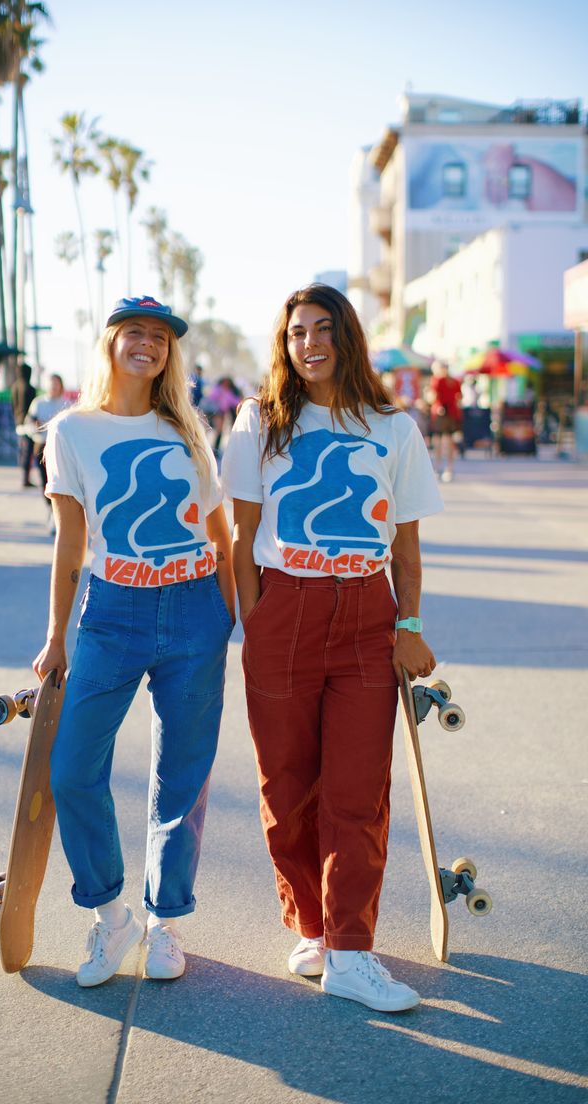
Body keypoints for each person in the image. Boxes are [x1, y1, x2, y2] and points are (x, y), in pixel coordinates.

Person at [221, 284, 443, 1013]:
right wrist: (257, 625)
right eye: (296, 333)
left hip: (365, 617)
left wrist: (407, 627)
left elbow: (406, 550)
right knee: (287, 786)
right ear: (284, 345)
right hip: (285, 607)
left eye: (323, 330)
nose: (309, 344)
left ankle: (351, 950)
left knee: (357, 789)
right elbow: (238, 539)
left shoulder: (393, 428)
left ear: (347, 337)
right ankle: (313, 928)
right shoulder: (259, 424)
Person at [33, 295, 235, 988]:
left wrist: (227, 617)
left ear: (168, 353)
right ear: (112, 343)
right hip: (111, 612)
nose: (148, 344)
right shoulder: (70, 431)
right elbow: (69, 542)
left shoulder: (187, 430)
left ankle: (165, 920)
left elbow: (220, 535)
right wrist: (56, 634)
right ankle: (109, 913)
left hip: (194, 609)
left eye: (160, 336)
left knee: (181, 776)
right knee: (72, 769)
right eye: (135, 333)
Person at [25, 373, 72, 496]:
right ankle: (49, 505)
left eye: (56, 384)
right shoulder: (38, 403)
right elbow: (29, 421)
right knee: (45, 479)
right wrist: (35, 425)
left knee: (59, 480)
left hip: (61, 447)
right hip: (41, 444)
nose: (54, 387)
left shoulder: (67, 404)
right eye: (51, 384)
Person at [428, 360, 461, 482]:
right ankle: (449, 468)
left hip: (439, 413)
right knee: (449, 442)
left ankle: (438, 467)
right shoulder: (455, 381)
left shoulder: (437, 380)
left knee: (438, 442)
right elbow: (459, 397)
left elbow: (433, 397)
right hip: (452, 412)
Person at [12, 362, 37, 487]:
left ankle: (24, 477)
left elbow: (13, 405)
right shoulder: (30, 388)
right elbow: (33, 409)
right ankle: (26, 479)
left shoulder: (15, 387)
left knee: (23, 450)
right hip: (28, 423)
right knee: (28, 451)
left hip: (18, 421)